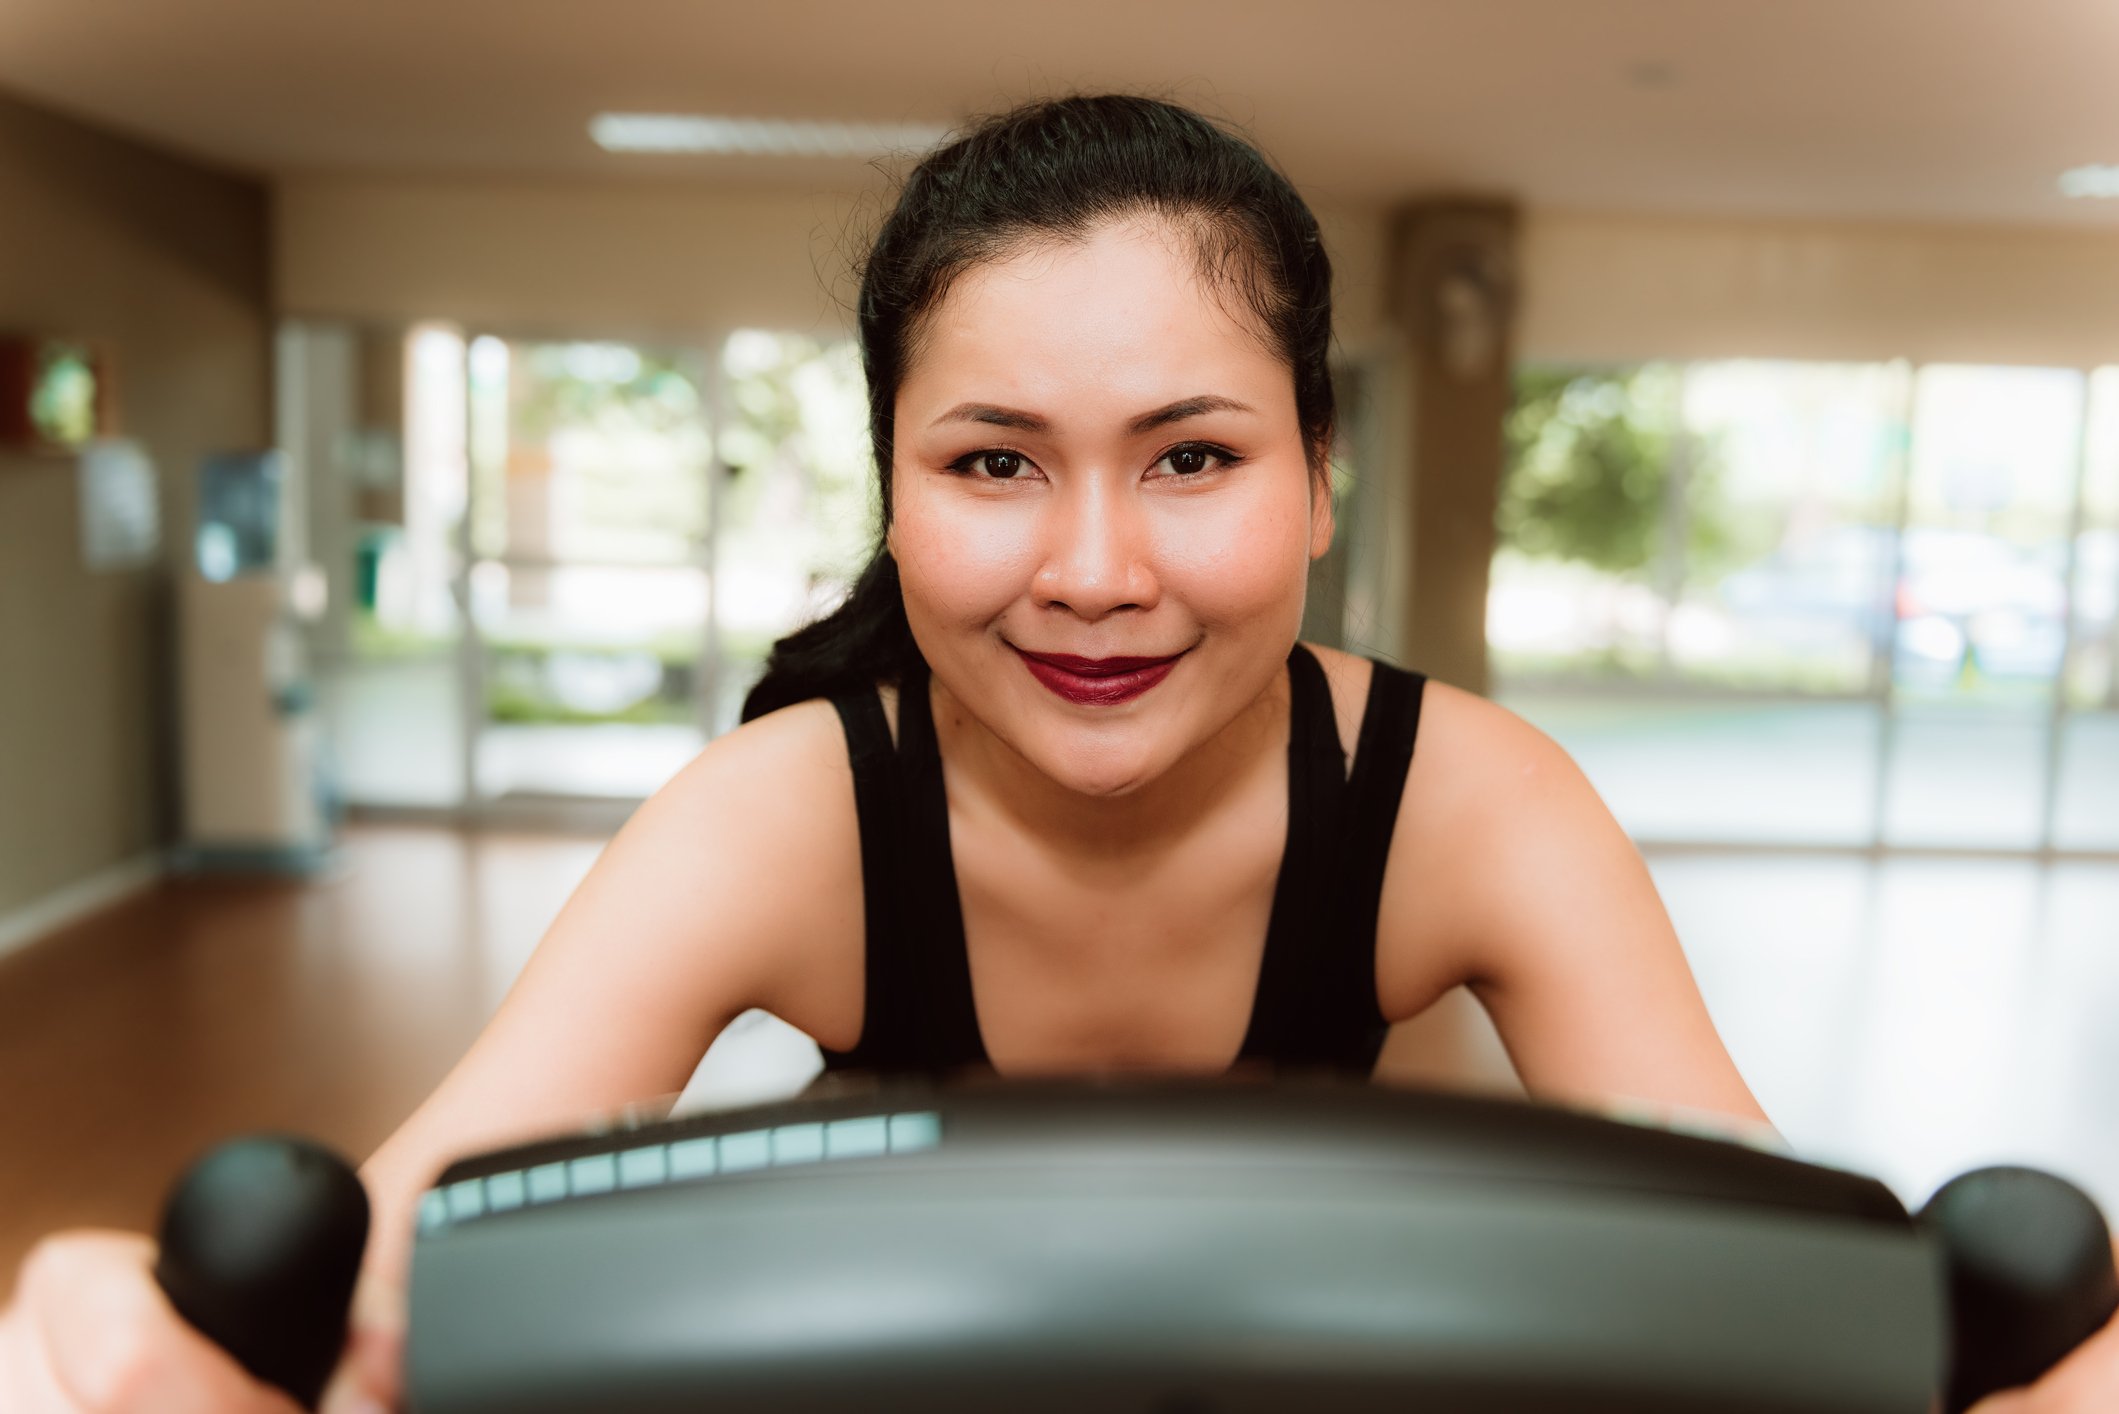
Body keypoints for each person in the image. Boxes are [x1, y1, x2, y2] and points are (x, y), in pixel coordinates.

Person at [2, 94, 2113, 1414]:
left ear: (1318, 478)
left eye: (1191, 457)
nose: (1095, 572)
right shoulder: (785, 816)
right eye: (995, 461)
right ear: (893, 490)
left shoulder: (1470, 801)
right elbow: (384, 1267)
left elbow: (1769, 1276)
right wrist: (161, 1344)